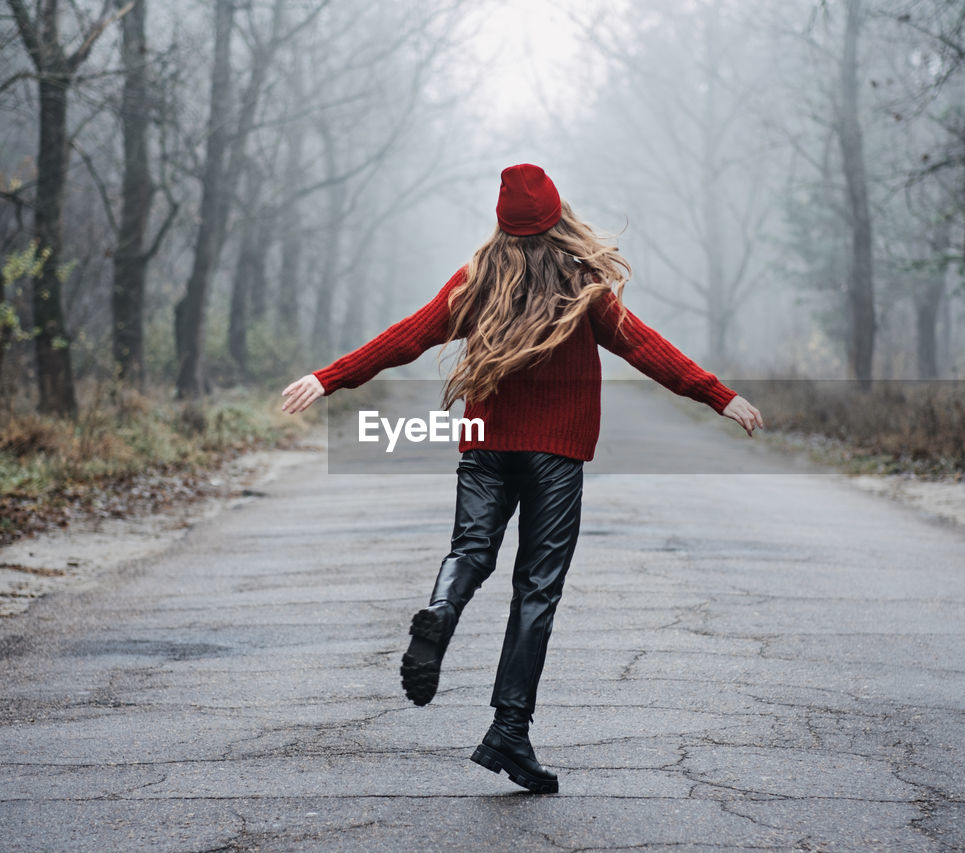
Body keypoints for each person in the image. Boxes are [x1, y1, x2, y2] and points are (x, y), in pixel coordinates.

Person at [280, 164, 763, 794]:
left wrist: (328, 376)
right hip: (555, 456)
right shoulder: (583, 285)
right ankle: (509, 730)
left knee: (469, 552)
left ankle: (441, 610)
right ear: (559, 218)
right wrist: (718, 396)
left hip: (487, 446)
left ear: (503, 222)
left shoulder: (477, 281)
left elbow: (408, 338)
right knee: (537, 588)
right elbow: (646, 347)